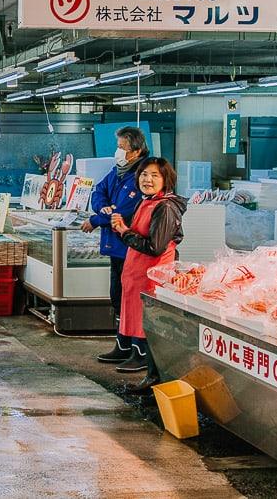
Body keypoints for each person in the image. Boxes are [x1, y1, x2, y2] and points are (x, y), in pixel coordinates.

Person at [111, 157, 186, 393]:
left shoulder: (166, 207)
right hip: (137, 275)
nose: (148, 179)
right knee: (146, 327)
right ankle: (150, 377)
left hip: (153, 278)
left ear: (166, 179)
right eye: (144, 174)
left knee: (153, 330)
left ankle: (154, 380)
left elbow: (155, 247)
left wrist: (124, 231)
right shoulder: (147, 202)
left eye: (155, 175)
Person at [81, 126, 149, 364]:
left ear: (137, 151)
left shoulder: (142, 175)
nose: (117, 152)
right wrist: (102, 208)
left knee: (132, 298)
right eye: (118, 147)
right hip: (115, 247)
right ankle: (122, 343)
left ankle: (139, 351)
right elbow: (98, 192)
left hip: (131, 248)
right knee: (118, 296)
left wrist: (95, 220)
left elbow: (125, 212)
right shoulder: (118, 171)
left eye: (122, 148)